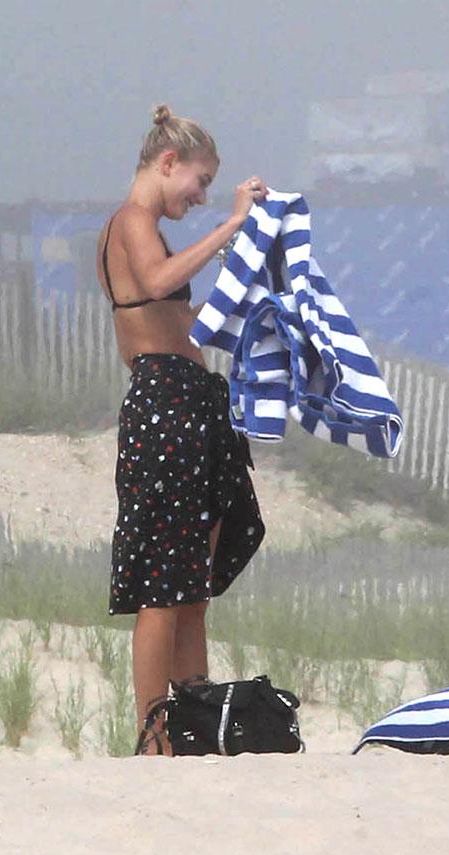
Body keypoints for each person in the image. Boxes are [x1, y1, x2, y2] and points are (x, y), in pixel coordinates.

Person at [97, 104, 269, 755]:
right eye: (197, 184)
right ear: (167, 163)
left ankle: (197, 722)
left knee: (191, 586)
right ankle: (153, 733)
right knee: (164, 587)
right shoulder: (131, 222)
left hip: (191, 403)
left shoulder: (146, 226)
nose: (198, 199)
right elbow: (159, 280)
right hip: (165, 408)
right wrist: (230, 224)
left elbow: (177, 310)